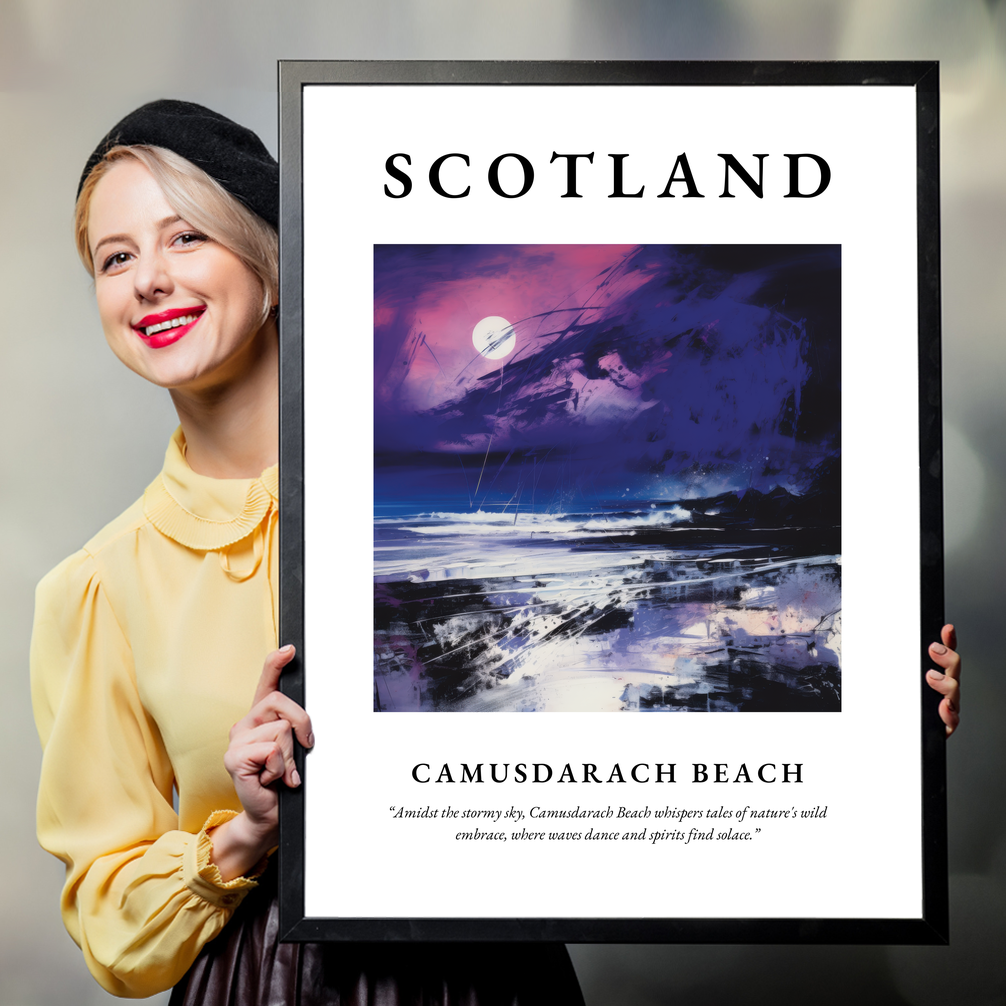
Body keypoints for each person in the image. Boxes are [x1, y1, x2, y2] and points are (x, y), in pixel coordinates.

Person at [30, 100, 586, 1004]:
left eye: (185, 238)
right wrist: (245, 832)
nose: (148, 281)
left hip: (492, 973)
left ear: (273, 263)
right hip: (262, 982)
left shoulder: (454, 491)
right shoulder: (97, 587)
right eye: (116, 257)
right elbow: (110, 922)